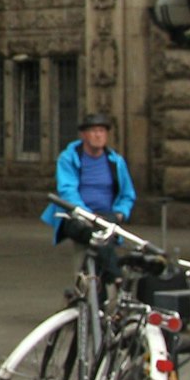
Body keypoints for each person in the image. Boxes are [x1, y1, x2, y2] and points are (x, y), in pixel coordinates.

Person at [39, 113, 135, 287]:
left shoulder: (116, 161)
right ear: (83, 135)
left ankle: (101, 292)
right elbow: (67, 191)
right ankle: (115, 275)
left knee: (101, 236)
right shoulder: (68, 158)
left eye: (102, 131)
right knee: (99, 236)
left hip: (107, 217)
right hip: (76, 216)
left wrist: (121, 213)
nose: (98, 135)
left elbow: (128, 194)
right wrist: (87, 215)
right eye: (93, 131)